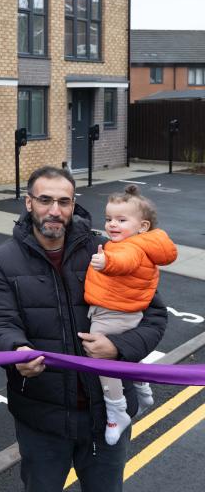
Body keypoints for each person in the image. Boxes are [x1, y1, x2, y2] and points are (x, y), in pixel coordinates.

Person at [0, 166, 167, 492]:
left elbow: (154, 316)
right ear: (29, 203)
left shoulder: (107, 251)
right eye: (45, 200)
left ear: (73, 204)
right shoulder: (2, 260)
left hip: (105, 417)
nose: (55, 210)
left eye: (64, 202)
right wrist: (16, 351)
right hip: (42, 420)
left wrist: (119, 348)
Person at [85, 184, 177, 444]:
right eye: (109, 219)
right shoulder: (142, 243)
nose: (112, 225)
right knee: (125, 353)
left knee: (100, 357)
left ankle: (116, 410)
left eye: (121, 220)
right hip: (127, 311)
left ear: (143, 226)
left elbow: (124, 263)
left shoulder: (130, 247)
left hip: (113, 313)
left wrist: (106, 263)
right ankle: (142, 386)